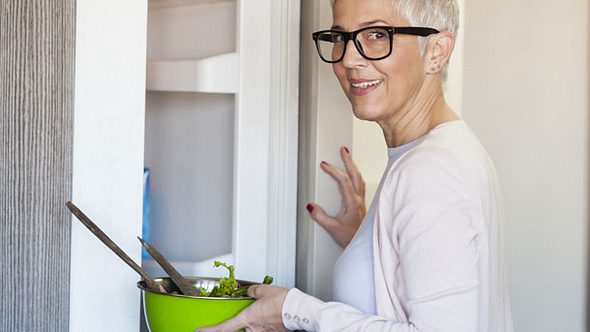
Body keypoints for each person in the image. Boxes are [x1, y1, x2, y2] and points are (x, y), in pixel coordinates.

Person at [197, 0, 513, 330]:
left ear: (437, 50)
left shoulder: (429, 172)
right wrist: (371, 239)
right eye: (340, 37)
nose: (348, 59)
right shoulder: (448, 149)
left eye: (377, 34)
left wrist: (297, 311)